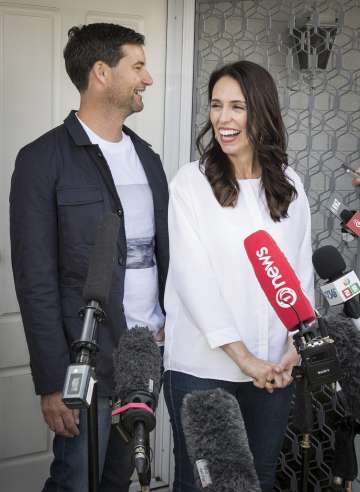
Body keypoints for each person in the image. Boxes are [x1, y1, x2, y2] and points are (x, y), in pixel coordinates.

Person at [10, 23, 168, 492]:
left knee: (119, 479)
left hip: (148, 355)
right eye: (138, 66)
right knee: (76, 481)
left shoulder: (148, 157)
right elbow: (34, 277)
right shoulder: (42, 160)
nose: (148, 78)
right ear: (102, 72)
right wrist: (50, 380)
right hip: (88, 363)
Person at [163, 60, 314, 492]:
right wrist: (245, 359)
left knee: (258, 480)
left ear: (261, 112)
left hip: (274, 369)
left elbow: (299, 275)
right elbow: (194, 282)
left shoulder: (290, 185)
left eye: (236, 107)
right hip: (202, 369)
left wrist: (293, 349)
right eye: (215, 106)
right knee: (202, 484)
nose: (222, 119)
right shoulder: (190, 184)